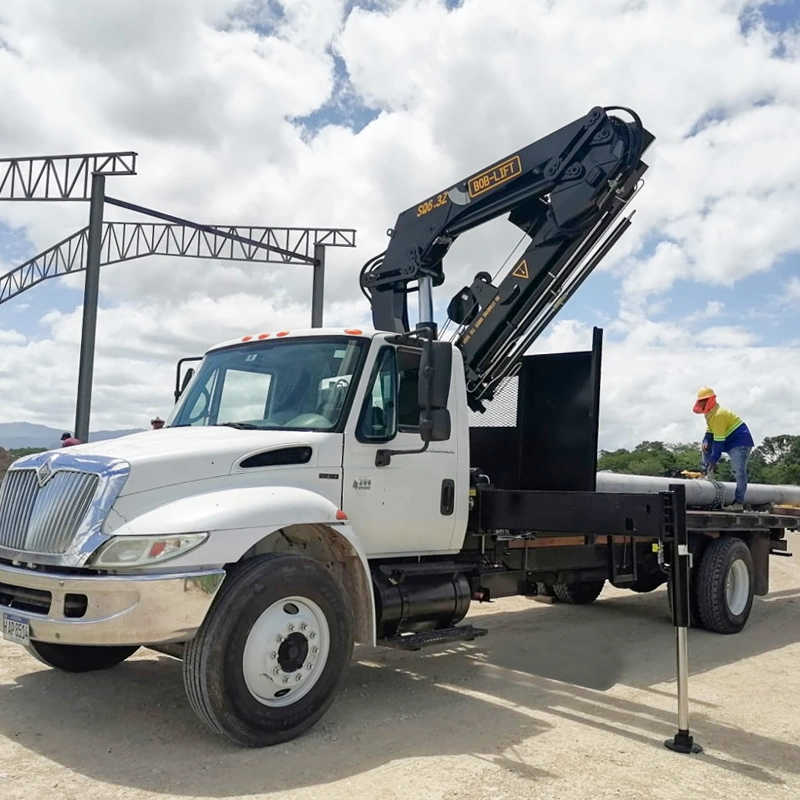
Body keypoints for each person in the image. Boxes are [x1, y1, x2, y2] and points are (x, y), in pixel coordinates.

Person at [693, 387, 754, 511]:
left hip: (739, 442)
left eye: (704, 400)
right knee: (706, 446)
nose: (701, 403)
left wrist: (713, 460)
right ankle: (706, 474)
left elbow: (719, 442)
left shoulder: (719, 414)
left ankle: (738, 502)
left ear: (710, 400)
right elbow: (710, 431)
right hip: (727, 439)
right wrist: (705, 440)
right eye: (700, 401)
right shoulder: (710, 414)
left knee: (739, 472)